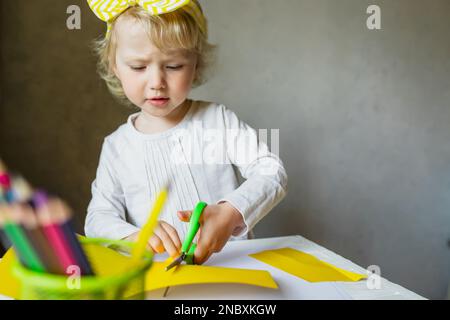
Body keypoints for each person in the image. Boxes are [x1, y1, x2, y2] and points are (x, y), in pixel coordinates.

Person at [85, 0, 287, 264]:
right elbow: (98, 217)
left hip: (231, 267)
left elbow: (271, 171)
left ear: (195, 65)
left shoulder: (217, 121)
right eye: (138, 67)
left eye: (174, 66)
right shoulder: (117, 146)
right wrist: (133, 236)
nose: (156, 82)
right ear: (114, 66)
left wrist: (232, 212)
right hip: (159, 278)